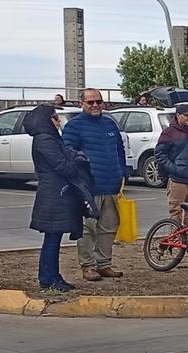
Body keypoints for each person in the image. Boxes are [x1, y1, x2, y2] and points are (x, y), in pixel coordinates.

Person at [63, 88, 126, 281]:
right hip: (89, 188)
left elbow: (119, 150)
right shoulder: (74, 126)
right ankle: (88, 266)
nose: (96, 105)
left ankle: (104, 264)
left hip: (111, 185)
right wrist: (80, 180)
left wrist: (122, 172)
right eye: (91, 102)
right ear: (81, 103)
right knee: (87, 229)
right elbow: (68, 154)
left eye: (99, 101)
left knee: (109, 227)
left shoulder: (109, 123)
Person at [25, 104, 84, 291]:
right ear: (47, 120)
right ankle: (49, 278)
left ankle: (52, 276)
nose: (58, 121)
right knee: (52, 238)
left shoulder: (48, 138)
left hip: (55, 192)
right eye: (55, 117)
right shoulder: (45, 140)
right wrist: (76, 165)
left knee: (54, 237)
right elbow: (60, 164)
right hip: (53, 194)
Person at [156, 104, 188, 227]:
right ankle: (175, 238)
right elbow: (160, 154)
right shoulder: (169, 133)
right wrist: (174, 169)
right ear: (178, 116)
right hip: (178, 181)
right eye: (187, 115)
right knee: (176, 213)